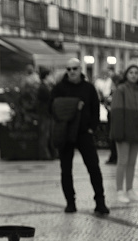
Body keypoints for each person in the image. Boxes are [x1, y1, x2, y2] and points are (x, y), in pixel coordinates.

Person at [49, 58, 110, 215]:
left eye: (74, 68)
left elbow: (96, 108)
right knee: (66, 169)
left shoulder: (88, 88)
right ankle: (70, 202)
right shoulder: (59, 88)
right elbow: (52, 108)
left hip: (84, 133)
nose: (71, 72)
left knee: (93, 167)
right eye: (68, 69)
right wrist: (73, 105)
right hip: (65, 132)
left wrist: (92, 128)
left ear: (80, 69)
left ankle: (100, 201)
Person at [109, 64, 138, 203]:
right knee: (122, 161)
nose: (133, 75)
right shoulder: (121, 90)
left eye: (136, 73)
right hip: (123, 132)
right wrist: (118, 133)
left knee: (132, 163)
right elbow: (116, 112)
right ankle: (120, 190)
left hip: (135, 133)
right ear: (126, 74)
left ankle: (130, 189)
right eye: (131, 72)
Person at [94, 68, 118, 164]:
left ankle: (114, 156)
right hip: (110, 114)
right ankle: (113, 156)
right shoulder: (113, 91)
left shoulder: (117, 91)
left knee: (112, 135)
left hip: (113, 116)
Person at [36, 67, 55, 160]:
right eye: (50, 75)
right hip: (45, 114)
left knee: (48, 134)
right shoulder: (43, 88)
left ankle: (49, 153)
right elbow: (50, 98)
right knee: (45, 134)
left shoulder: (46, 87)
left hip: (48, 114)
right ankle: (44, 154)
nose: (52, 77)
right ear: (46, 76)